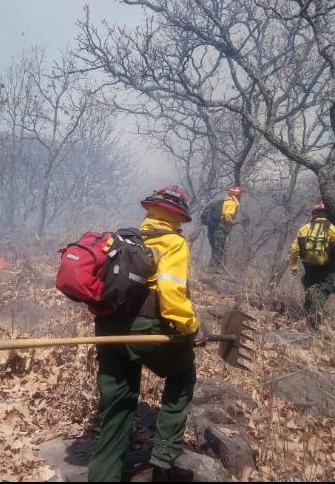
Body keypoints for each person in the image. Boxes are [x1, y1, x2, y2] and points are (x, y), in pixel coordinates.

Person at [88, 185, 204, 482]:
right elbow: (171, 295)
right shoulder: (174, 243)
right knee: (182, 372)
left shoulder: (125, 238)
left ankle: (104, 474)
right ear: (179, 216)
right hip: (145, 330)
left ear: (150, 210)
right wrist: (191, 327)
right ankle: (163, 458)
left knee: (118, 400)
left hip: (107, 329)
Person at [289, 203, 335, 330]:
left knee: (310, 289)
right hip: (327, 267)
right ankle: (315, 314)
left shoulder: (304, 228)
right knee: (325, 289)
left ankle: (306, 317)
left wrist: (293, 266)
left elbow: (294, 249)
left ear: (314, 214)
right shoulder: (332, 229)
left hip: (309, 266)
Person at [207, 185, 244, 270]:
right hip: (220, 230)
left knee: (215, 249)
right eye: (239, 196)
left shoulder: (223, 201)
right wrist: (233, 222)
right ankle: (213, 270)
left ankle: (211, 268)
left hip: (212, 228)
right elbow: (227, 215)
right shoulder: (232, 203)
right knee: (219, 250)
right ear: (237, 195)